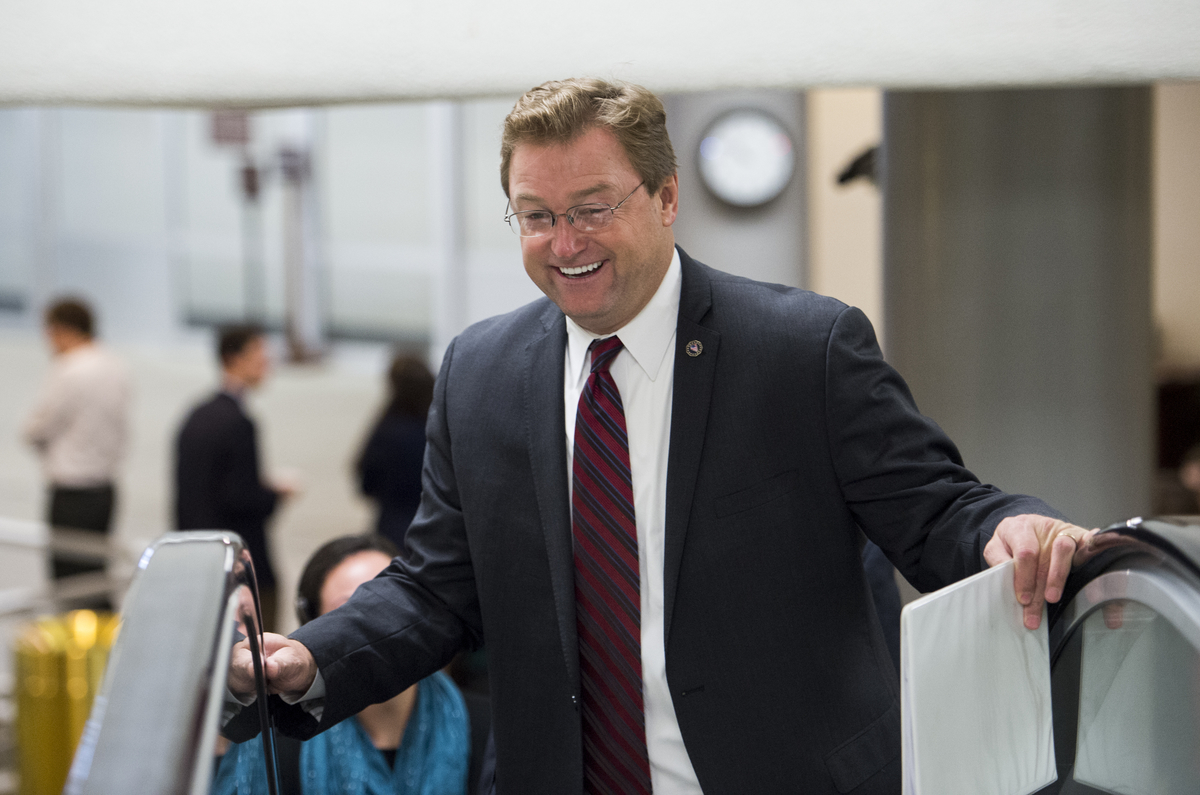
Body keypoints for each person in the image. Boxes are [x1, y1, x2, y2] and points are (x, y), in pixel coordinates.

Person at [229, 78, 1106, 794]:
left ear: (667, 197)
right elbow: (433, 589)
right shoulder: (479, 374)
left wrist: (1014, 526)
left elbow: (939, 507)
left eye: (593, 207)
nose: (564, 242)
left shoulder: (803, 350)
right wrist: (310, 655)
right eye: (535, 215)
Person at [214, 534, 477, 795]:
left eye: (394, 606)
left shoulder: (490, 732)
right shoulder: (276, 747)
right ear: (313, 626)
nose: (379, 628)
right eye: (351, 612)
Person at [175, 325, 291, 631]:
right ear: (234, 358)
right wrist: (277, 494)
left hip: (200, 556)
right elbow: (241, 497)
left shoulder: (197, 414)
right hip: (239, 562)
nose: (266, 363)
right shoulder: (238, 423)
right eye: (258, 355)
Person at [23, 297, 131, 599]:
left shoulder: (70, 369)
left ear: (61, 330)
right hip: (104, 490)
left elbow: (38, 428)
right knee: (96, 581)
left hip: (72, 492)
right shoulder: (115, 366)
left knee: (68, 586)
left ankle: (74, 646)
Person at [356, 354, 436, 547]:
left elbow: (366, 482)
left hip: (393, 529)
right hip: (437, 528)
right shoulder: (442, 428)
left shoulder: (387, 430)